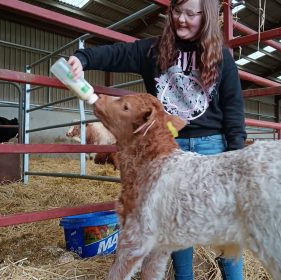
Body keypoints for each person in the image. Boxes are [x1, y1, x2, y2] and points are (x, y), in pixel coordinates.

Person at [68, 0, 246, 279]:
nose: (181, 19)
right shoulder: (153, 50)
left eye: (191, 13)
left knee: (224, 225)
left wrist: (236, 157)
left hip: (211, 147)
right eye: (176, 11)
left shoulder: (221, 57)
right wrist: (83, 59)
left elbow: (234, 108)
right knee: (174, 227)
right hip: (166, 149)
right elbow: (117, 53)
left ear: (206, 16)